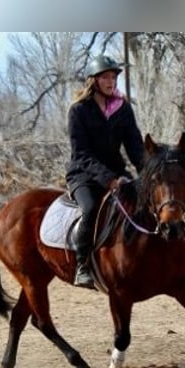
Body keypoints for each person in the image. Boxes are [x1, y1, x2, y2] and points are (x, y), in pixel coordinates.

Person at [66, 54, 145, 288]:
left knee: (144, 202)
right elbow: (81, 154)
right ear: (94, 81)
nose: (111, 82)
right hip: (83, 175)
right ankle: (83, 266)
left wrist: (147, 172)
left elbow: (135, 147)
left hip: (117, 173)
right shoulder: (78, 111)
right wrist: (108, 179)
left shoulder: (123, 109)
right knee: (90, 209)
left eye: (113, 77)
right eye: (106, 77)